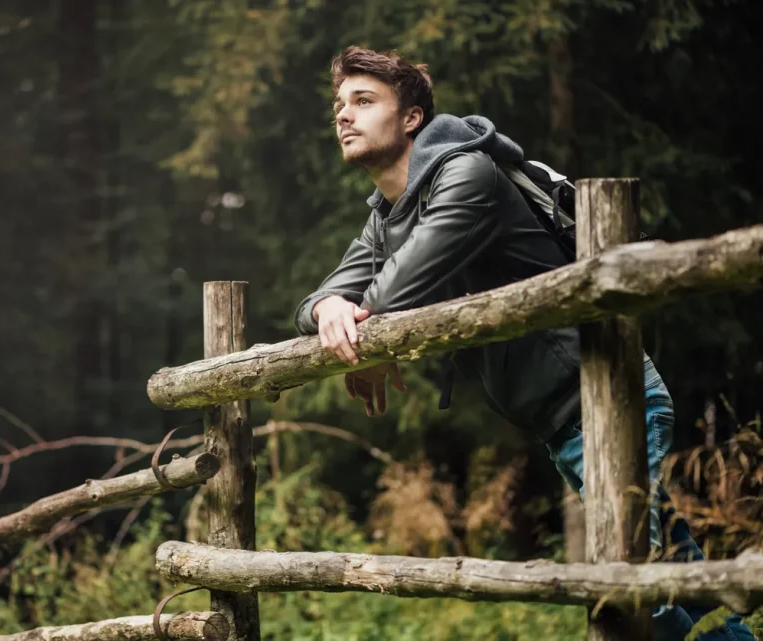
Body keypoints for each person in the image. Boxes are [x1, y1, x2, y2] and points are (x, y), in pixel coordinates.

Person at [293, 45, 757, 641]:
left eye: (363, 101)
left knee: (637, 597)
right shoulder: (386, 214)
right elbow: (320, 302)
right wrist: (330, 307)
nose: (343, 115)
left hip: (607, 400)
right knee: (681, 590)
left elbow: (393, 291)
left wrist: (364, 332)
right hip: (565, 421)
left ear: (411, 118)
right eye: (339, 104)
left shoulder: (467, 174)